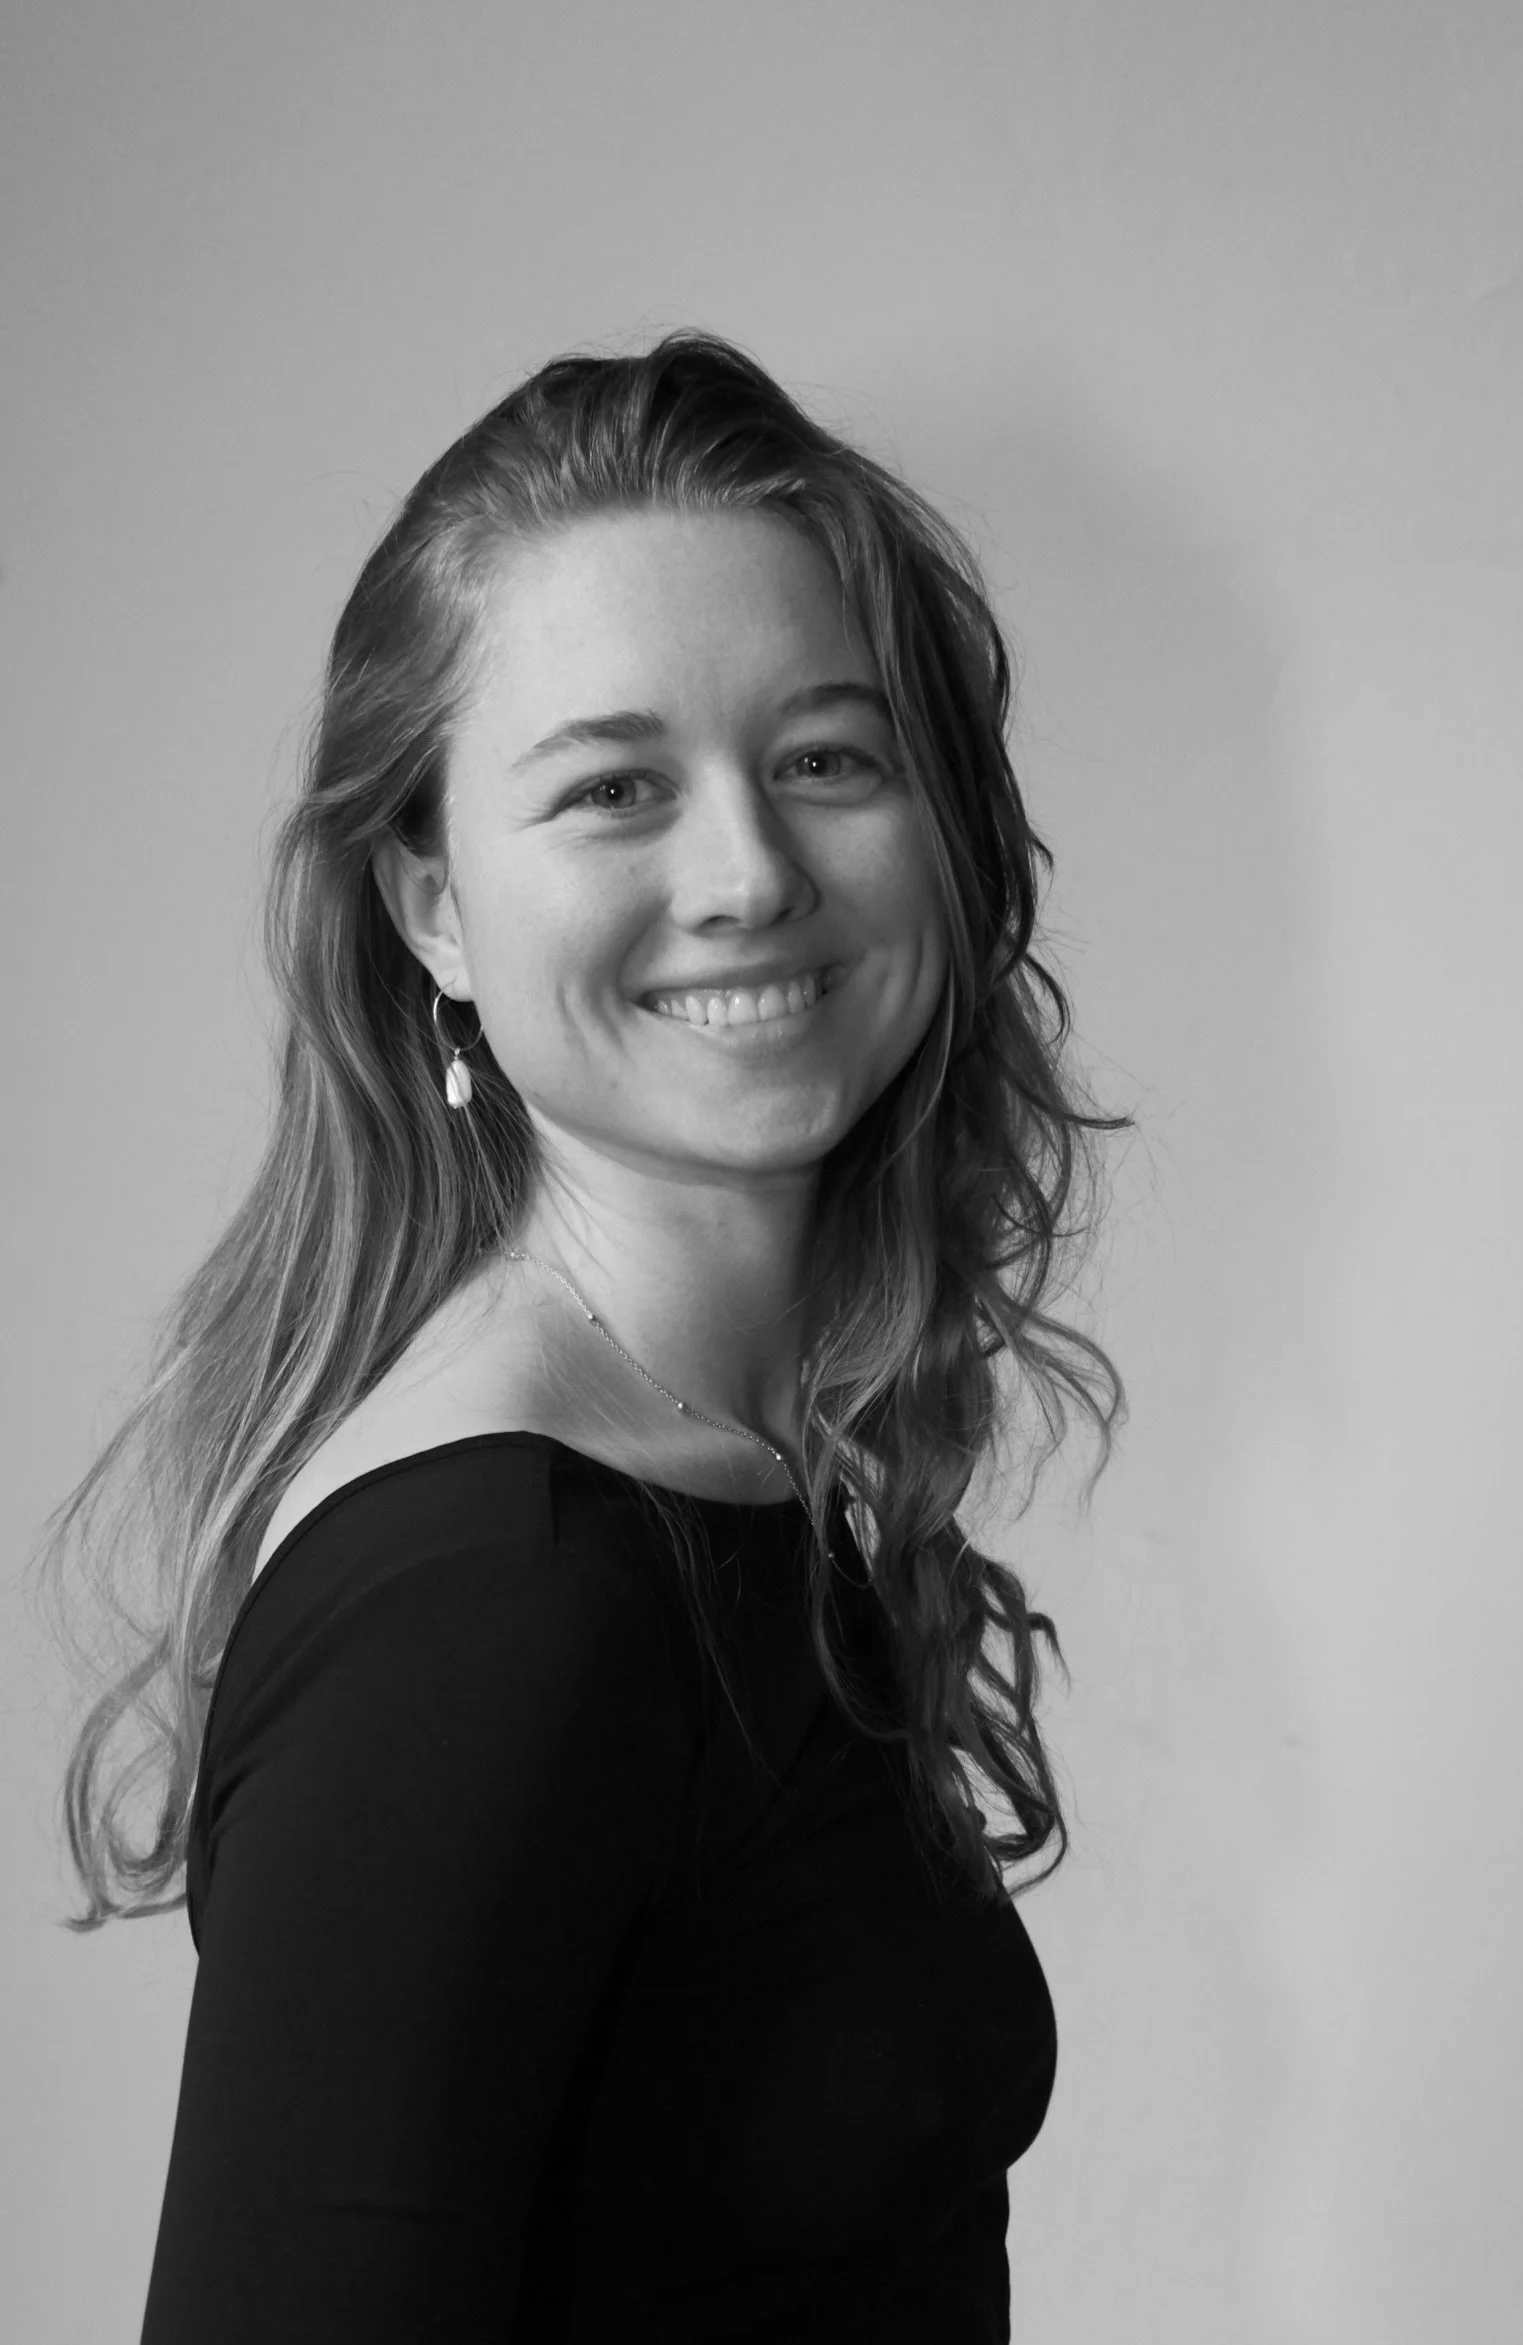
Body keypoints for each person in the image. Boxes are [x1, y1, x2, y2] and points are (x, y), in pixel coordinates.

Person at [42, 332, 1124, 2342]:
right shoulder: (497, 1596)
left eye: (826, 757)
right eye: (615, 787)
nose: (748, 873)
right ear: (432, 906)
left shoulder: (724, 1470)